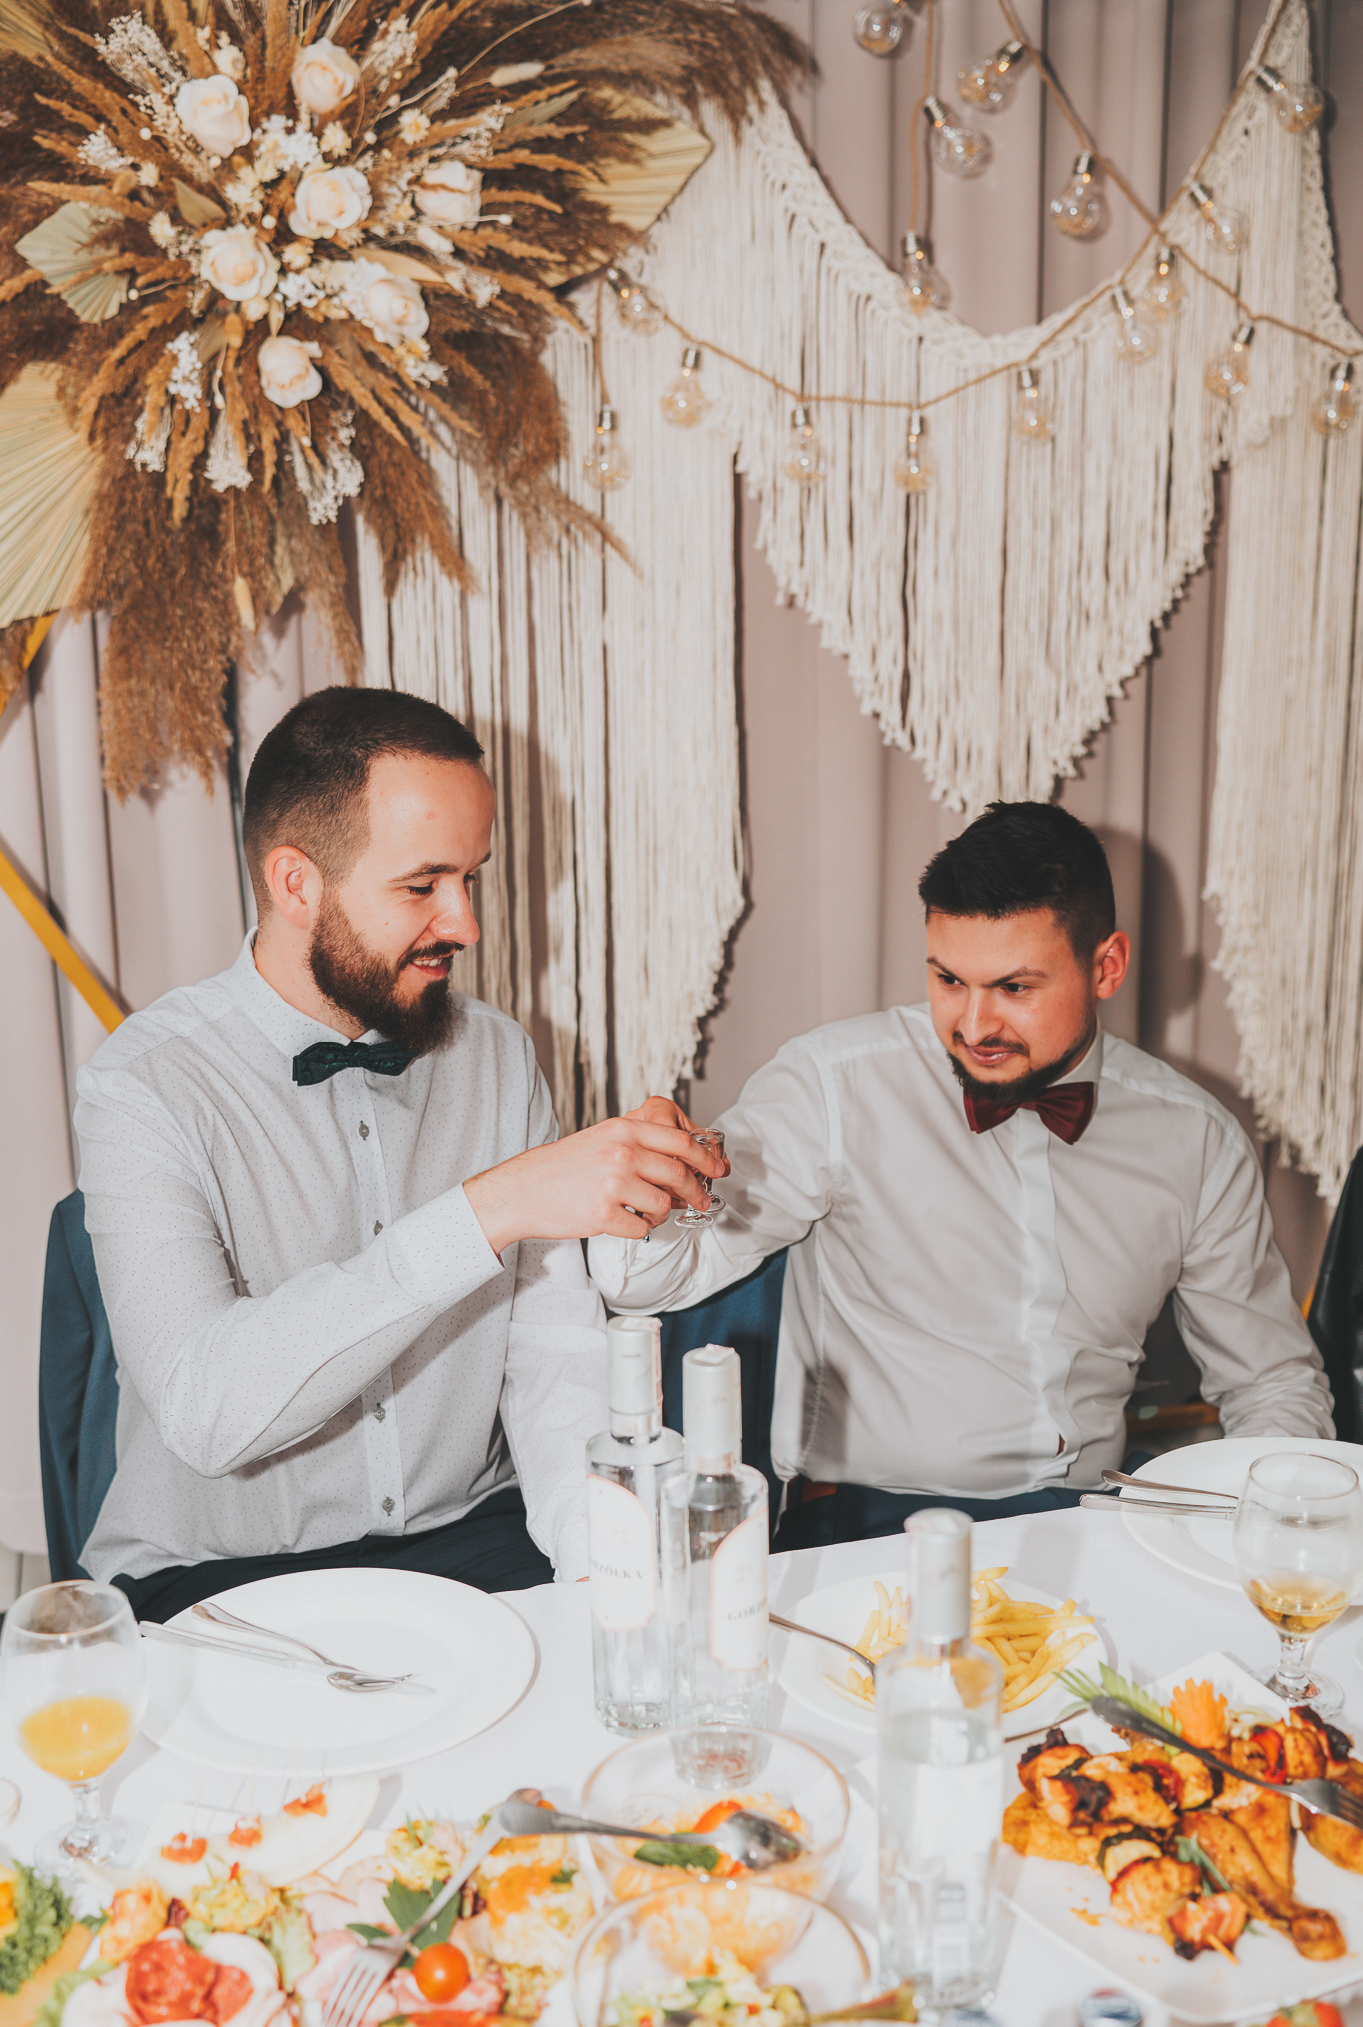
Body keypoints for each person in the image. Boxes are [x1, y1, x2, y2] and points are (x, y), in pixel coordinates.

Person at [73, 687, 721, 1619]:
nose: (465, 925)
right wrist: (488, 1210)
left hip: (474, 1538)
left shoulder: (498, 1056)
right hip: (219, 1577)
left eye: (471, 879)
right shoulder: (142, 1086)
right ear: (296, 884)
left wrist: (595, 1577)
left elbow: (549, 1356)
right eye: (422, 886)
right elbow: (205, 1411)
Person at [589, 801, 1332, 1549]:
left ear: (1106, 966)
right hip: (869, 1525)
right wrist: (647, 1179)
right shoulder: (832, 1087)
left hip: (1092, 1521)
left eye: (1015, 988)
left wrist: (1279, 1531)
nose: (974, 1026)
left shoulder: (1197, 1138)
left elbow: (1271, 1380)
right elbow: (641, 1282)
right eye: (949, 979)